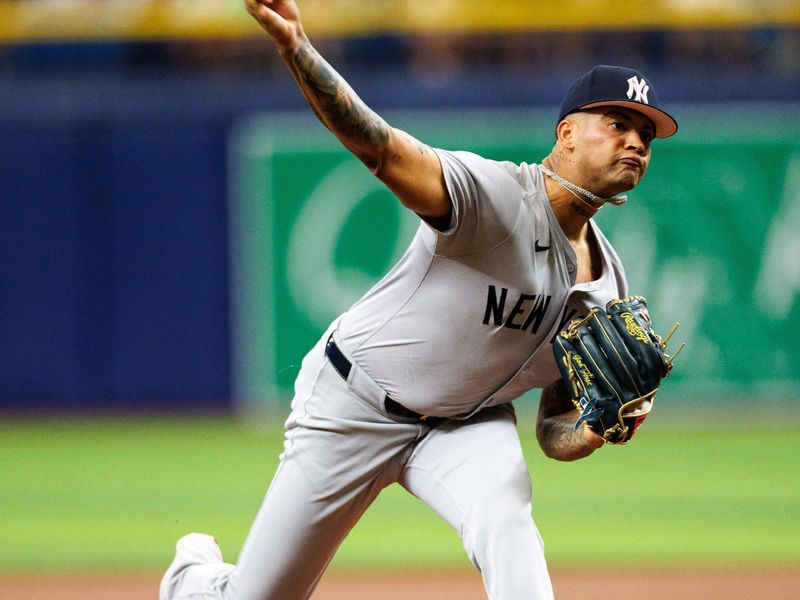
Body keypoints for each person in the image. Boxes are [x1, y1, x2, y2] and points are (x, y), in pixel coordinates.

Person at [160, 1, 679, 599]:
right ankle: (194, 579)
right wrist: (299, 49)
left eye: (645, 133)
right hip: (354, 403)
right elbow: (378, 146)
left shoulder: (605, 286)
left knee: (508, 525)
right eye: (618, 124)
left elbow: (554, 427)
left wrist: (591, 430)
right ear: (565, 133)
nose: (636, 141)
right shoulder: (493, 197)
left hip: (465, 426)